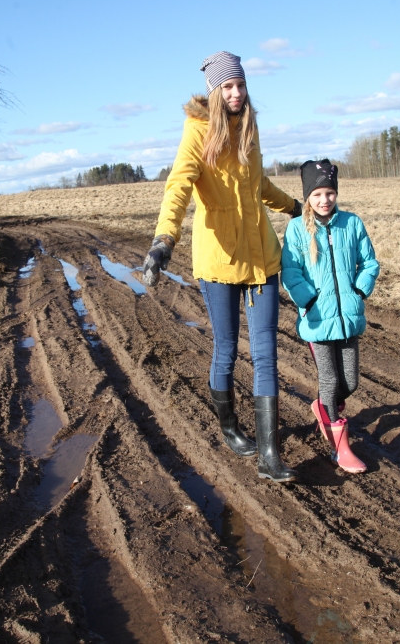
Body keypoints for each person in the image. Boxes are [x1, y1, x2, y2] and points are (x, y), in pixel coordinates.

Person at [142, 51, 302, 483]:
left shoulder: (250, 127)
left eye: (241, 85)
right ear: (214, 91)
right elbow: (179, 187)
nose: (236, 93)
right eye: (227, 87)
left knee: (266, 352)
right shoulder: (197, 132)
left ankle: (270, 454)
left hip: (262, 258)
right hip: (219, 262)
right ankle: (230, 429)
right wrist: (163, 240)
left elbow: (259, 185)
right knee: (227, 349)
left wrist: (296, 208)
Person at [280, 159, 379, 474]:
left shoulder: (351, 224)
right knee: (331, 379)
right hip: (318, 320)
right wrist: (308, 300)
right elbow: (291, 271)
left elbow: (370, 262)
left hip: (348, 317)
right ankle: (341, 449)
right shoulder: (297, 228)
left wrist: (359, 292)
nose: (325, 200)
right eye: (318, 194)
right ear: (308, 195)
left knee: (350, 382)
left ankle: (324, 407)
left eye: (330, 193)